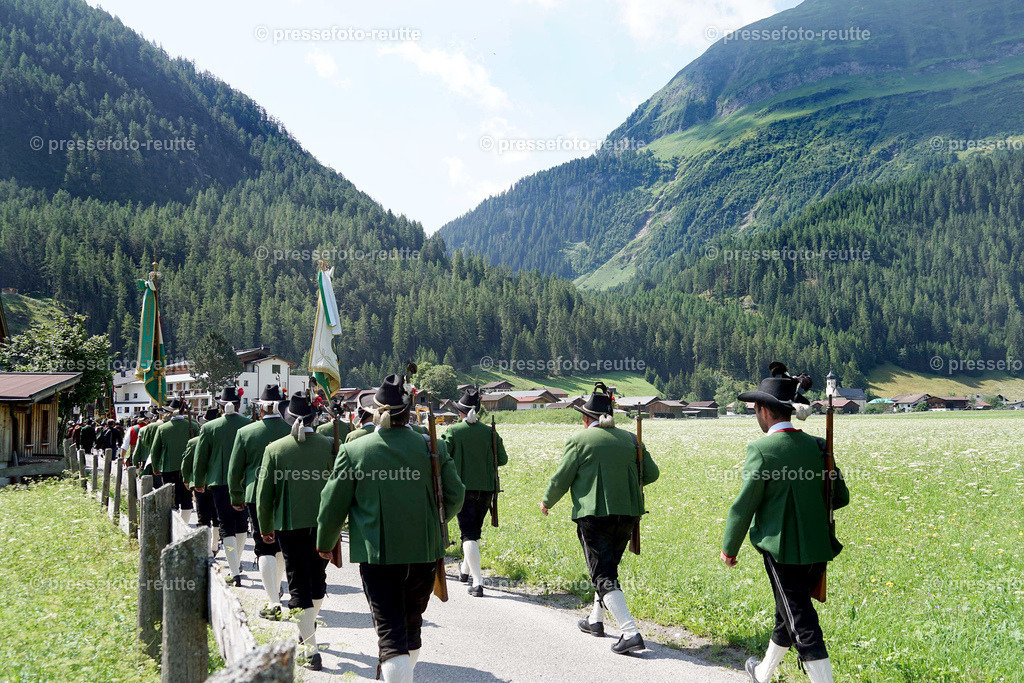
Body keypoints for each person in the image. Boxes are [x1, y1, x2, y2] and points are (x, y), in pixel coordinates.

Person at [318, 373, 465, 683]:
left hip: (378, 557)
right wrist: (431, 523)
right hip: (425, 553)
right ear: (406, 410)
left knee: (391, 638)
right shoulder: (428, 446)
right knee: (411, 629)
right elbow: (455, 495)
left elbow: (332, 506)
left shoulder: (354, 450)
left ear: (377, 410)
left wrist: (325, 543)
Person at [721, 363, 850, 683]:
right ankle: (763, 672)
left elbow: (745, 504)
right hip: (818, 546)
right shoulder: (820, 446)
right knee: (788, 613)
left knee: (802, 622)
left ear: (765, 410)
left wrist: (729, 547)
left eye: (754, 408)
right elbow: (841, 497)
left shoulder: (761, 449)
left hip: (782, 553)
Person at [541, 382, 659, 654]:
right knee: (607, 569)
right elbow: (651, 475)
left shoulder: (579, 440)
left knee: (602, 574)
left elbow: (562, 478)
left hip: (593, 516)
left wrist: (547, 501)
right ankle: (596, 621)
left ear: (586, 418)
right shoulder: (631, 439)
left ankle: (630, 632)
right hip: (628, 514)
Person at [256, 391, 336, 671]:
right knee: (317, 578)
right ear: (315, 417)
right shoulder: (329, 445)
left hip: (289, 526)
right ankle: (308, 634)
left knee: (298, 583)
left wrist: (265, 527)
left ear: (287, 416)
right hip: (324, 523)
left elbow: (264, 495)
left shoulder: (274, 449)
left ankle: (310, 647)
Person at [228, 385, 291, 619]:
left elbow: (235, 470)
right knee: (282, 542)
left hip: (256, 493)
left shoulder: (246, 432)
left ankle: (273, 601)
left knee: (264, 545)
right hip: (288, 491)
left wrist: (236, 496)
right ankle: (276, 587)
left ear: (260, 408)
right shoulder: (291, 428)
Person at [440, 386, 507, 597]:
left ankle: (477, 582)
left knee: (468, 534)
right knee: (473, 532)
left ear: (461, 412)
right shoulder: (490, 432)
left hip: (463, 489)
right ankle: (464, 570)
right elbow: (503, 460)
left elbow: (442, 458)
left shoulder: (453, 431)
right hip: (487, 490)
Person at [194, 387, 252, 585]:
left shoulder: (209, 428)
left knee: (226, 524)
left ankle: (233, 568)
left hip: (219, 482)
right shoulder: (249, 424)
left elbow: (200, 458)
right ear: (239, 404)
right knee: (242, 522)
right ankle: (236, 561)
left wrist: (198, 480)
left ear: (220, 406)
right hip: (244, 481)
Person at [150, 398, 201, 524]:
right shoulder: (193, 425)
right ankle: (184, 524)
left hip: (168, 467)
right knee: (186, 498)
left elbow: (155, 450)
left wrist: (155, 467)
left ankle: (173, 525)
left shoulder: (162, 428)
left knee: (170, 498)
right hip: (188, 468)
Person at [183, 406, 222, 554]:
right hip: (217, 482)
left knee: (203, 517)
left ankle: (203, 547)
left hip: (200, 483)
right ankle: (214, 546)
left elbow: (186, 464)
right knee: (216, 517)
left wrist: (187, 480)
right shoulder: (222, 441)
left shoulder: (193, 442)